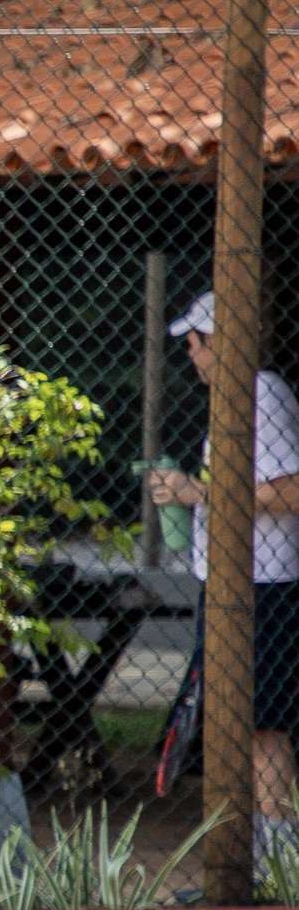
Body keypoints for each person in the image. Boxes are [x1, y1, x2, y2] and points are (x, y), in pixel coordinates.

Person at [146, 290, 299, 871]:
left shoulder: (265, 394)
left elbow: (288, 493)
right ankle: (247, 856)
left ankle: (279, 856)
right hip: (231, 587)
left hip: (264, 586)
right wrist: (188, 496)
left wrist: (197, 492)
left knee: (263, 725)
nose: (191, 354)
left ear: (222, 342)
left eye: (196, 343)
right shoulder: (236, 400)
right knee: (233, 723)